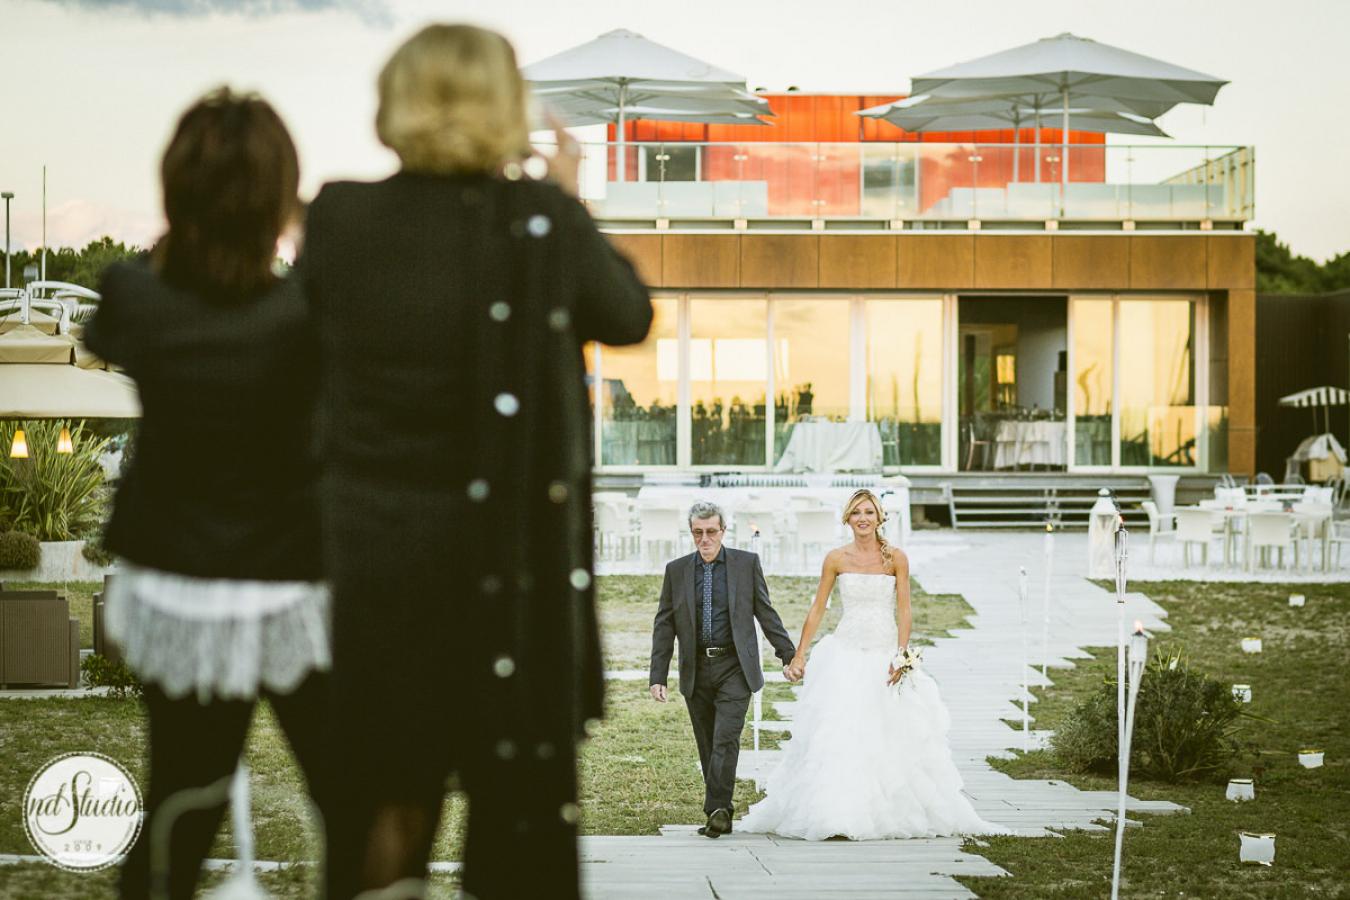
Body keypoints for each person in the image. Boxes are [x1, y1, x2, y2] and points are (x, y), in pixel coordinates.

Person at [298, 24, 652, 900]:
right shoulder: (539, 222)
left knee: (386, 805)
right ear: (505, 108)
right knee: (519, 828)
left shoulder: (339, 215)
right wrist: (570, 205)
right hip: (512, 578)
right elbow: (627, 314)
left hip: (378, 568)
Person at [84, 89, 330, 899]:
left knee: (178, 806)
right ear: (281, 194)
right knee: (349, 795)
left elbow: (105, 331)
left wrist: (183, 236)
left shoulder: (133, 295)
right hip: (292, 582)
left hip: (175, 584)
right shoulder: (307, 310)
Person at [740, 489, 1009, 840]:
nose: (863, 518)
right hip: (845, 653)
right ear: (847, 519)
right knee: (841, 733)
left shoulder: (896, 558)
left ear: (880, 517)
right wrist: (799, 654)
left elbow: (905, 608)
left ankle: (890, 811)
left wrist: (901, 655)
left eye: (869, 512)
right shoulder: (835, 558)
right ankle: (835, 813)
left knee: (889, 732)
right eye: (856, 513)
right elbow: (818, 608)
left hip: (884, 654)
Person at [649, 501, 799, 838]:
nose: (705, 539)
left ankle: (717, 810)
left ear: (723, 531)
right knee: (707, 744)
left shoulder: (746, 565)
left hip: (735, 666)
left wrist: (787, 655)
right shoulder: (676, 571)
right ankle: (720, 809)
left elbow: (766, 612)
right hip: (696, 669)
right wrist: (658, 675)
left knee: (725, 739)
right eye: (698, 533)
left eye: (711, 532)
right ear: (691, 533)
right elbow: (664, 624)